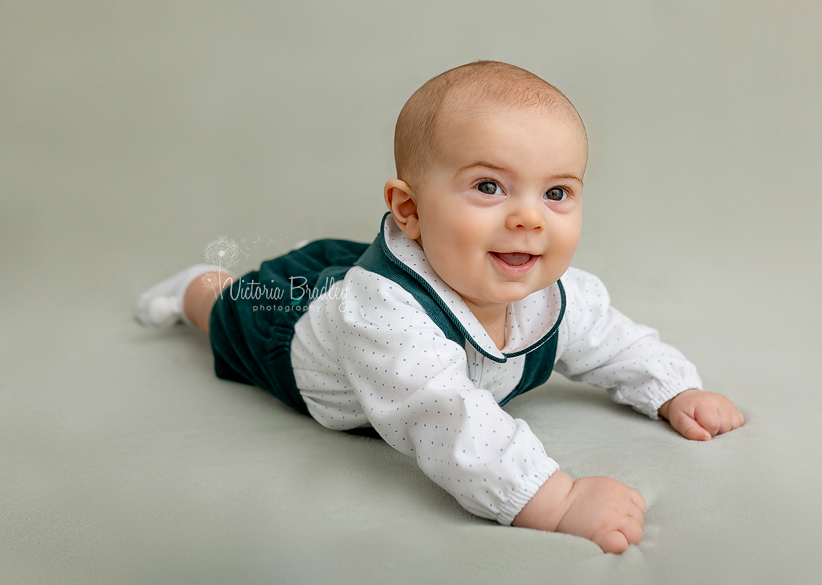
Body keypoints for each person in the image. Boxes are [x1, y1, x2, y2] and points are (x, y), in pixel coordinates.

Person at [135, 60, 745, 553]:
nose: (529, 217)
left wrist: (672, 389)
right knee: (232, 305)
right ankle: (196, 285)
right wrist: (554, 499)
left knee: (341, 273)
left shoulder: (546, 289)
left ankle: (319, 269)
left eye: (557, 192)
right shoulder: (386, 319)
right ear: (412, 211)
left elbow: (609, 338)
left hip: (377, 279)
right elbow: (445, 418)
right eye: (489, 186)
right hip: (297, 337)